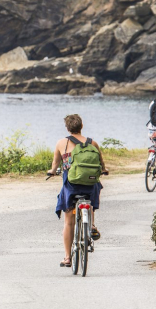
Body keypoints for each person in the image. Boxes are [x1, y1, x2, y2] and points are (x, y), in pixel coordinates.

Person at [46, 113, 108, 269]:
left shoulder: (62, 143)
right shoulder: (92, 143)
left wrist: (52, 172)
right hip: (90, 184)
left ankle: (67, 257)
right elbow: (101, 163)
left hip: (72, 185)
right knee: (91, 195)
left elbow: (55, 165)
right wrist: (105, 170)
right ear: (82, 126)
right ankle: (92, 225)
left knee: (68, 221)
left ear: (67, 128)